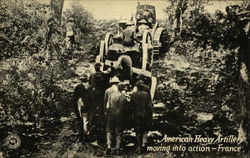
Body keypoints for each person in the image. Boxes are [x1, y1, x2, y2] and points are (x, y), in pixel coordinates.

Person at [88, 62, 110, 144]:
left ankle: (91, 129)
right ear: (100, 67)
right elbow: (106, 83)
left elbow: (90, 83)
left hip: (94, 93)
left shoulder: (92, 75)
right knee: (101, 109)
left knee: (93, 109)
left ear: (95, 68)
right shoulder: (103, 74)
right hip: (101, 93)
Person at [130, 80, 153, 154]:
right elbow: (150, 106)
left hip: (137, 115)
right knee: (145, 129)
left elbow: (131, 106)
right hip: (145, 114)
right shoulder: (146, 95)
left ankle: (138, 146)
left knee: (138, 130)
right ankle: (144, 144)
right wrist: (150, 115)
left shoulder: (133, 95)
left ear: (137, 87)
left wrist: (131, 114)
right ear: (143, 87)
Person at [105, 83, 127, 155]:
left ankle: (109, 145)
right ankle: (117, 148)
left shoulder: (111, 95)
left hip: (111, 114)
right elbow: (123, 108)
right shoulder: (123, 97)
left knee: (109, 130)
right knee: (118, 132)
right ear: (122, 89)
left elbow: (108, 106)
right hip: (119, 116)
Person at [72, 74, 90, 141]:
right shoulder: (90, 87)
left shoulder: (78, 87)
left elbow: (74, 98)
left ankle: (82, 135)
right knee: (87, 120)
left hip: (80, 104)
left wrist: (75, 107)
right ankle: (86, 134)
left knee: (80, 120)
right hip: (88, 105)